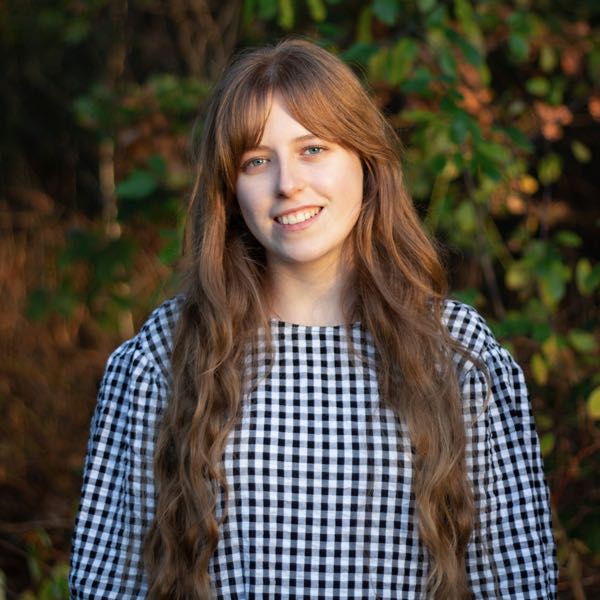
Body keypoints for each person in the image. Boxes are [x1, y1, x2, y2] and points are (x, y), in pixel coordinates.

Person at [69, 39, 557, 599]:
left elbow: (517, 586)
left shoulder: (457, 352)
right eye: (256, 161)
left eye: (313, 149)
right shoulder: (166, 353)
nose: (287, 183)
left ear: (366, 160)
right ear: (231, 188)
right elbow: (109, 586)